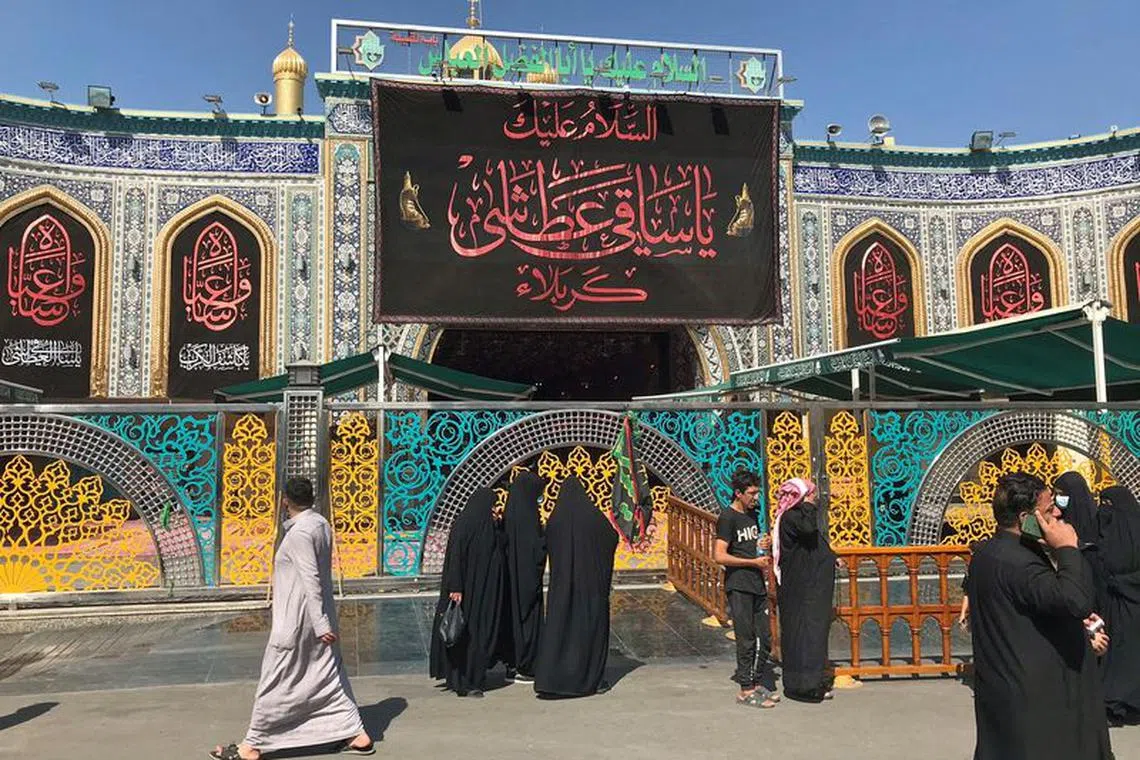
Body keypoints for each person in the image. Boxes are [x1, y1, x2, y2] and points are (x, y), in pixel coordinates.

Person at [211, 477, 373, 760]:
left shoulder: (300, 533)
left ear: (284, 500)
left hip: (298, 620)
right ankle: (355, 733)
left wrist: (320, 623)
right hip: (317, 617)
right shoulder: (320, 524)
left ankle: (252, 745)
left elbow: (310, 578)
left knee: (277, 678)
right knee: (329, 676)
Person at [966, 472, 1112, 760]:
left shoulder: (989, 552)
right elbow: (1076, 600)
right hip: (1036, 700)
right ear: (1025, 518)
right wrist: (1068, 548)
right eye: (1048, 509)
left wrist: (1080, 634)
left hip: (1009, 691)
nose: (1057, 512)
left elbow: (1032, 611)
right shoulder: (1019, 564)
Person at [533, 476, 619, 698]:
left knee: (559, 630)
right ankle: (591, 680)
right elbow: (611, 537)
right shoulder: (592, 517)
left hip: (561, 587)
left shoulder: (555, 520)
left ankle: (552, 679)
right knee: (589, 632)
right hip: (589, 589)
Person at [713, 469, 778, 709]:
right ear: (738, 493)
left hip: (757, 582)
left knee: (765, 636)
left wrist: (764, 543)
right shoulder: (728, 518)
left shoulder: (753, 514)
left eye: (757, 492)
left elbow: (752, 542)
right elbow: (720, 555)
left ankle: (756, 679)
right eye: (751, 493)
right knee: (746, 637)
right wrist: (751, 562)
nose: (755, 498)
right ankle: (745, 688)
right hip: (739, 584)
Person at [430, 488, 504, 698]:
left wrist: (498, 524)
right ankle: (466, 681)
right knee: (466, 634)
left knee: (478, 633)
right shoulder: (464, 525)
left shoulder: (487, 525)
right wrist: (456, 587)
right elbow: (456, 557)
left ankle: (475, 677)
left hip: (482, 590)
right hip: (465, 591)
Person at [772, 477, 837, 703]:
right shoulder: (792, 517)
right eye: (810, 494)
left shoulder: (797, 517)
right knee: (804, 636)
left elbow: (814, 543)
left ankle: (811, 683)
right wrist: (809, 504)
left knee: (812, 636)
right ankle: (804, 686)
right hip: (802, 591)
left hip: (810, 589)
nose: (815, 498)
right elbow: (809, 531)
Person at [1096, 485, 1140, 725]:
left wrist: (1122, 582)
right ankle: (1116, 704)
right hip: (1114, 605)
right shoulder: (1107, 531)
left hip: (1133, 603)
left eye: (1109, 505)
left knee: (1130, 654)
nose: (1104, 510)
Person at [500, 471, 547, 684]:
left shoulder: (511, 512)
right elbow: (534, 551)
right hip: (526, 581)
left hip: (510, 580)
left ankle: (512, 663)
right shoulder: (529, 516)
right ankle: (526, 665)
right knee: (527, 622)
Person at [1055, 471, 1100, 547]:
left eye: (1062, 494)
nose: (1058, 497)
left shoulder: (1097, 521)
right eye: (1056, 494)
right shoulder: (1058, 517)